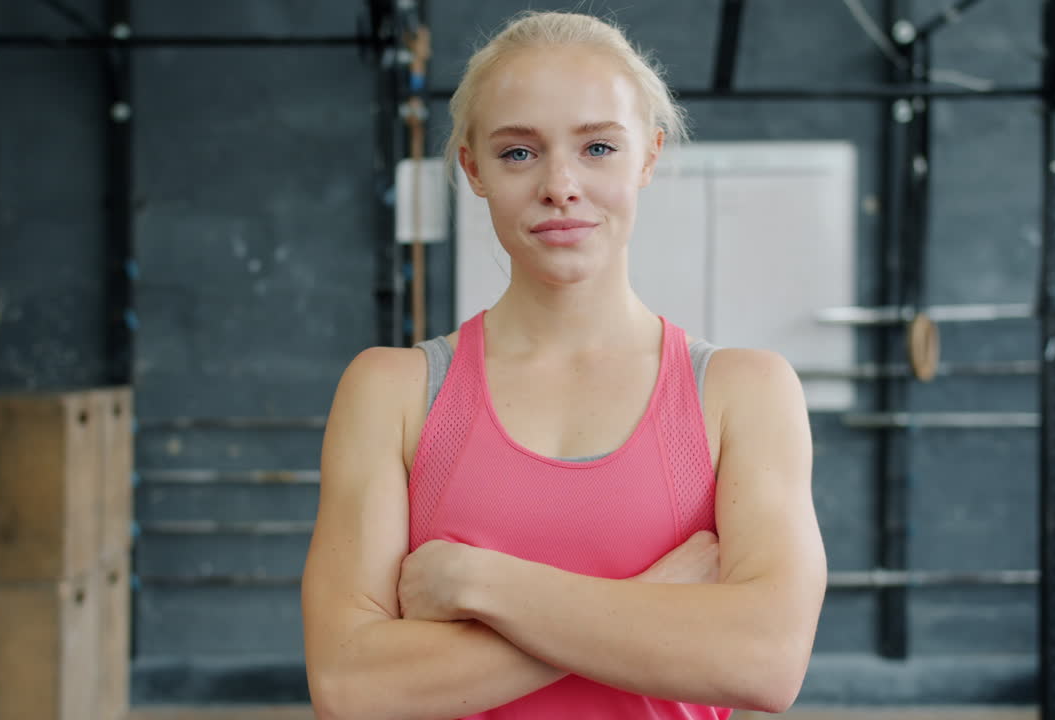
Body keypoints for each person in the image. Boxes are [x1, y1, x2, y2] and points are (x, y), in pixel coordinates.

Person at [301, 10, 827, 720]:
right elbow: (352, 689)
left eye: (599, 148)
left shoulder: (745, 393)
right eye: (519, 153)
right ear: (473, 168)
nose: (560, 185)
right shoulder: (392, 391)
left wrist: (479, 583)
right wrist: (658, 604)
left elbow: (765, 663)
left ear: (649, 157)